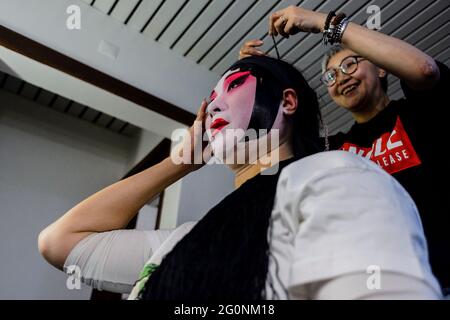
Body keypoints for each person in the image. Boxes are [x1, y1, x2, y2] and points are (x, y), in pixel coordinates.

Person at [38, 56, 441, 300]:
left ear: (287, 101)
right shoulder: (184, 240)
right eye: (209, 100)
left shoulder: (338, 176)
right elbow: (60, 243)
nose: (213, 106)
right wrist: (181, 161)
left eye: (231, 86)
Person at [240, 5, 450, 292]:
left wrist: (321, 23)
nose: (340, 78)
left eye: (350, 64)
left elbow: (424, 70)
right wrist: (252, 80)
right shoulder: (332, 150)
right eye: (330, 76)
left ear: (380, 67)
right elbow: (267, 156)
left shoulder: (420, 112)